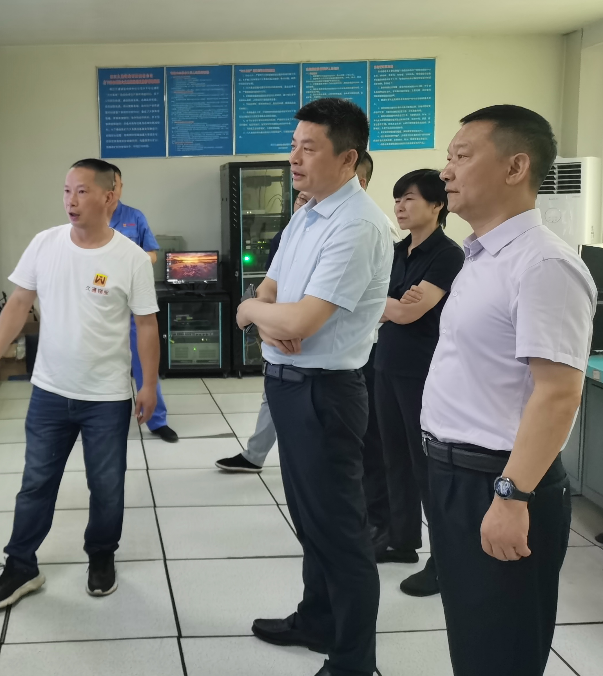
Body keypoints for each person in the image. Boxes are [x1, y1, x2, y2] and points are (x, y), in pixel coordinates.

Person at [421, 105, 595, 676]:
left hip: (499, 481)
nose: (446, 171)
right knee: (474, 638)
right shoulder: (481, 257)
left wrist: (511, 496)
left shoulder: (543, 264)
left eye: (461, 155)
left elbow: (558, 393)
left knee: (502, 650)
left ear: (516, 167)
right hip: (453, 474)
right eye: (448, 157)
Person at [236, 98, 393, 676]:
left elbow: (298, 319)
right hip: (288, 384)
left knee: (340, 531)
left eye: (308, 148)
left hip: (325, 392)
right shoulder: (308, 213)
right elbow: (272, 288)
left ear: (348, 158)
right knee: (310, 519)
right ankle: (317, 619)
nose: (294, 158)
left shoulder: (358, 225)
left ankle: (353, 661)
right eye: (293, 145)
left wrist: (250, 313)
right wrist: (267, 317)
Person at [0, 159, 161, 610]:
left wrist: (149, 385)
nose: (71, 201)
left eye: (81, 191)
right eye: (66, 191)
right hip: (50, 392)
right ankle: (21, 565)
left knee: (107, 485)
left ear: (109, 196)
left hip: (106, 397)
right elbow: (18, 303)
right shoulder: (45, 243)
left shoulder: (132, 258)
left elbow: (147, 326)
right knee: (36, 482)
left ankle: (101, 556)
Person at [374, 170, 464, 598]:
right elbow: (375, 302)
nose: (399, 206)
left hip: (423, 370)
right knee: (393, 456)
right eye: (397, 199)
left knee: (426, 464)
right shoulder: (395, 251)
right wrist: (391, 303)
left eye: (408, 198)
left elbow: (409, 312)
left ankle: (445, 562)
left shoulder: (448, 255)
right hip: (386, 362)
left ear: (437, 205)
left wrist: (387, 304)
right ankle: (401, 539)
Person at [215, 188, 312, 473]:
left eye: (310, 200)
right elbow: (269, 287)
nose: (304, 205)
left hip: (316, 341)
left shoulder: (351, 231)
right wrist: (266, 328)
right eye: (300, 199)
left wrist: (256, 314)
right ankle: (255, 455)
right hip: (281, 333)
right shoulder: (286, 236)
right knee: (273, 395)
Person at [107, 164, 178, 443]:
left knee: (144, 362)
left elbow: (152, 255)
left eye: (116, 184)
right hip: (102, 305)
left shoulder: (134, 217)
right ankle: (101, 419)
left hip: (134, 302)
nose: (112, 190)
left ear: (120, 187)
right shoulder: (90, 218)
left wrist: (127, 260)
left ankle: (157, 420)